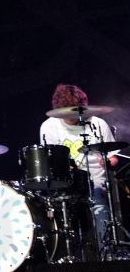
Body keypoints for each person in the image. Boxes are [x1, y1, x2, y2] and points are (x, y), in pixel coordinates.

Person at [39, 83, 119, 255]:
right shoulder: (49, 126)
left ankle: (107, 254)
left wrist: (108, 163)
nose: (72, 115)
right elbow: (50, 161)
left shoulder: (98, 124)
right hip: (65, 183)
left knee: (97, 201)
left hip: (94, 182)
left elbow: (113, 159)